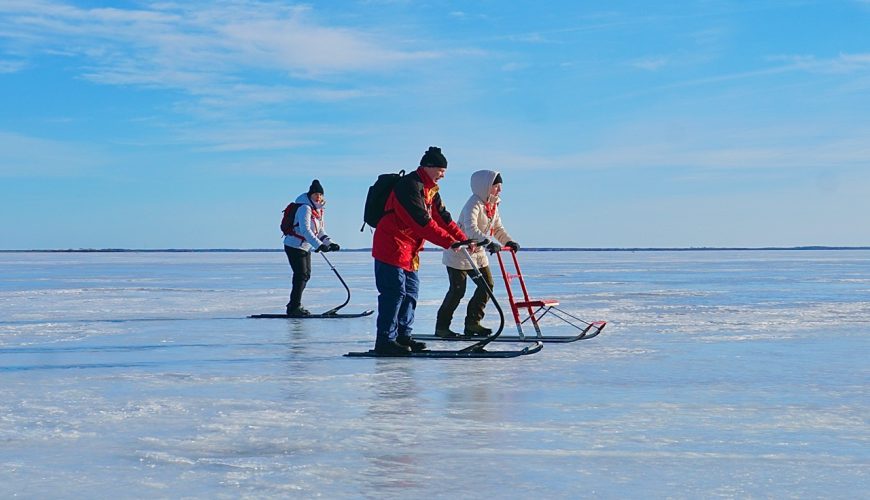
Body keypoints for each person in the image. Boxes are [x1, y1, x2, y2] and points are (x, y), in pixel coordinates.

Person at [371, 146, 470, 355]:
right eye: (441, 170)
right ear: (429, 167)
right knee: (394, 293)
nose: (443, 175)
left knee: (410, 294)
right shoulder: (409, 186)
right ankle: (385, 341)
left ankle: (403, 336)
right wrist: (449, 243)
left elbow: (443, 218)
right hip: (391, 245)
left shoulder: (430, 190)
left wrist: (463, 239)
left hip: (410, 250)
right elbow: (422, 222)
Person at [435, 170, 520, 337]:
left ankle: (473, 323)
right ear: (486, 186)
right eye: (496, 186)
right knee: (457, 290)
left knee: (487, 286)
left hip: (478, 254)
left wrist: (507, 242)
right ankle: (442, 327)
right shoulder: (474, 204)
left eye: (500, 186)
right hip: (459, 254)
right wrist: (488, 243)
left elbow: (497, 228)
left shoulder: (492, 205)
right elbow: (470, 229)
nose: (499, 190)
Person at [283, 179, 340, 317]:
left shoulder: (318, 211)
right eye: (315, 194)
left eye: (320, 194)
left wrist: (329, 243)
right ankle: (294, 307)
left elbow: (320, 231)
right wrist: (319, 245)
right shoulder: (305, 208)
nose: (318, 197)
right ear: (310, 195)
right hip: (294, 245)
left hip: (305, 247)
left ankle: (294, 305)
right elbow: (305, 230)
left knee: (305, 275)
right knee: (301, 275)